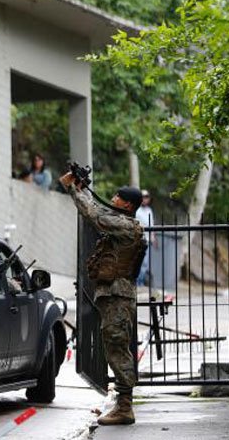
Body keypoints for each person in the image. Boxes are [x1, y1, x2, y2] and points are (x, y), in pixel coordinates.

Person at [59, 172, 146, 426]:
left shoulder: (126, 227)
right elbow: (98, 210)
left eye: (118, 196)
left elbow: (95, 216)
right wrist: (82, 189)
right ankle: (122, 404)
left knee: (117, 349)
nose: (113, 198)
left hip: (118, 297)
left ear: (128, 205)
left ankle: (124, 407)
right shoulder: (122, 223)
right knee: (114, 347)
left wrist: (74, 190)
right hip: (114, 296)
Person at [135, 189, 156, 287]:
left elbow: (151, 224)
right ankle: (137, 283)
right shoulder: (136, 209)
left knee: (145, 264)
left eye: (147, 196)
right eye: (143, 196)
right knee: (137, 262)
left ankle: (141, 283)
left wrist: (153, 237)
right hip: (138, 240)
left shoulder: (149, 210)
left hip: (147, 240)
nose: (145, 199)